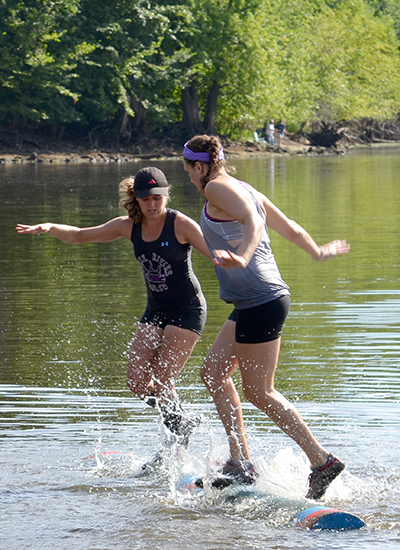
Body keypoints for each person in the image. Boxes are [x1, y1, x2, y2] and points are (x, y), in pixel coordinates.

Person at [183, 135, 350, 499]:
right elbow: (288, 225)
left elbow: (252, 223)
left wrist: (242, 255)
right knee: (213, 372)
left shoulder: (216, 188)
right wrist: (316, 251)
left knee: (260, 391)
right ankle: (240, 463)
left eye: (187, 168)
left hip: (261, 299)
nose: (188, 175)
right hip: (252, 301)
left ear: (197, 166)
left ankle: (322, 462)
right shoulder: (244, 187)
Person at [16, 166, 210, 451]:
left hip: (187, 308)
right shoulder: (127, 225)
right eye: (146, 200)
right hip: (156, 309)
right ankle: (180, 420)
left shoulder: (180, 223)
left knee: (165, 377)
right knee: (136, 381)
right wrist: (49, 227)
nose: (153, 205)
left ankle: (177, 436)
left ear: (165, 195)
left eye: (158, 198)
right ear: (137, 199)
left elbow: (217, 256)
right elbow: (81, 235)